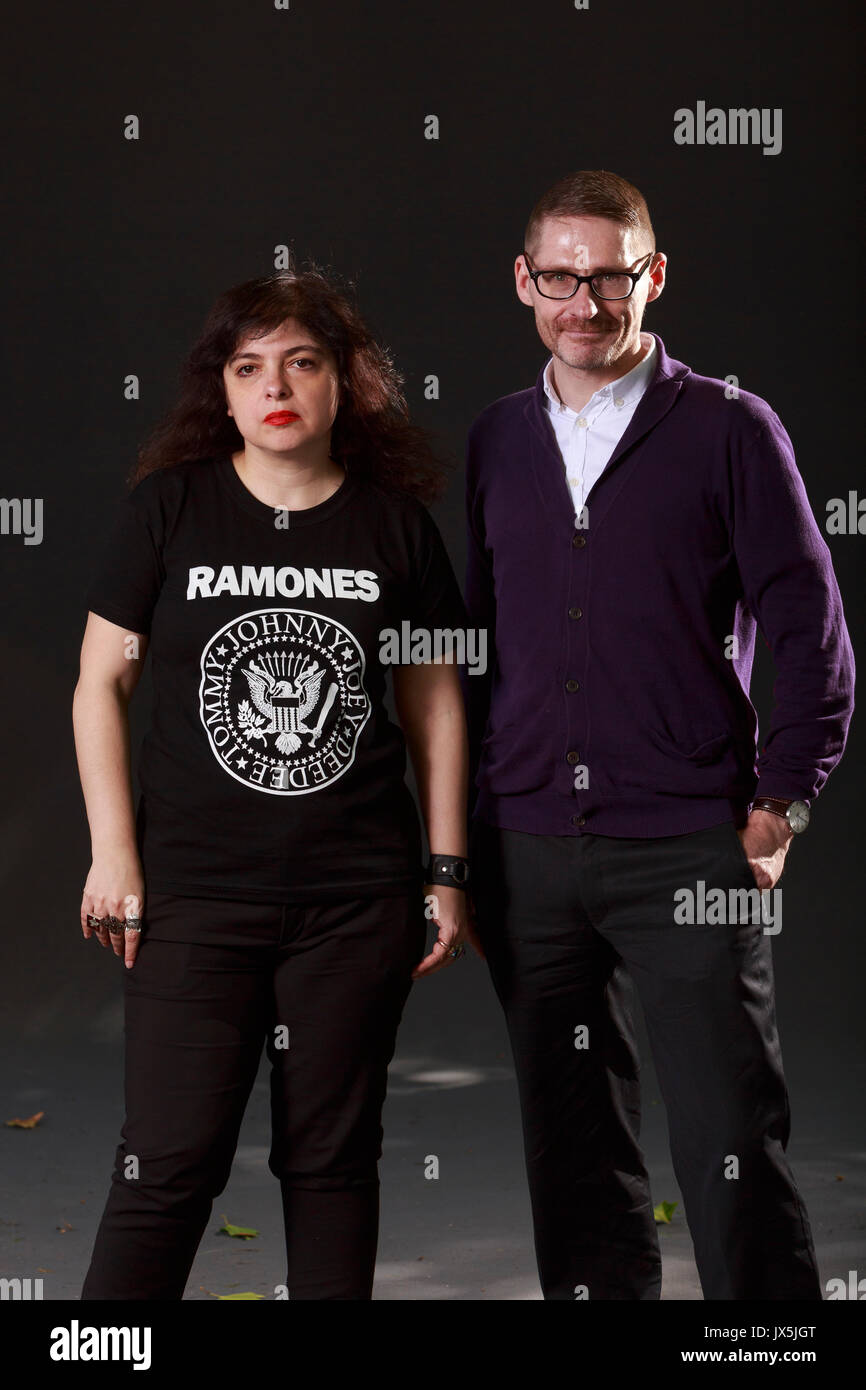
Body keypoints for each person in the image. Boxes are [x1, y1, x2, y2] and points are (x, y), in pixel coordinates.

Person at [461, 169, 855, 1300]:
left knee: (731, 1142)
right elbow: (476, 647)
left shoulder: (729, 427)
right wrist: (467, 840)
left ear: (653, 276)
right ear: (523, 281)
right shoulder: (496, 438)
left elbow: (809, 626)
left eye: (609, 277)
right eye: (559, 278)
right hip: (528, 850)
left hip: (690, 846)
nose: (584, 304)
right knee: (573, 1148)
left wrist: (781, 803)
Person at [74, 264, 472, 1301]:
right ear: (222, 388)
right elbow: (98, 685)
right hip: (192, 895)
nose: (276, 386)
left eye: (302, 362)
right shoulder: (168, 510)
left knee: (332, 1159)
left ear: (346, 380)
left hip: (353, 899)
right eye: (248, 367)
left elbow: (435, 705)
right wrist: (114, 854)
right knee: (166, 1161)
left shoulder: (395, 526)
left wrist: (444, 868)